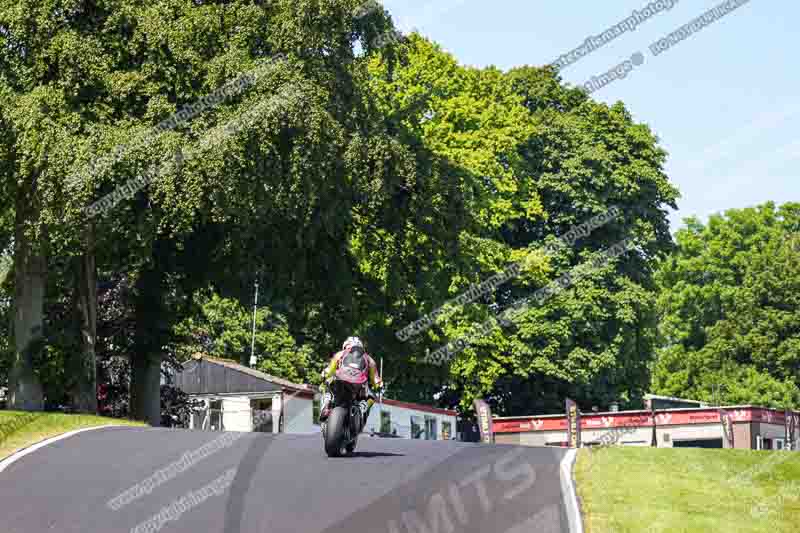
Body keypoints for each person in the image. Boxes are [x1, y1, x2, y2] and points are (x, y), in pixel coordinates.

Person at [319, 336, 382, 427]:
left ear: (345, 346)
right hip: (359, 385)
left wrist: (324, 377)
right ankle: (362, 408)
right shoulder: (369, 359)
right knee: (372, 396)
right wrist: (379, 386)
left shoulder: (340, 354)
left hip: (340, 381)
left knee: (324, 385)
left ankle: (327, 402)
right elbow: (376, 380)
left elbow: (329, 371)